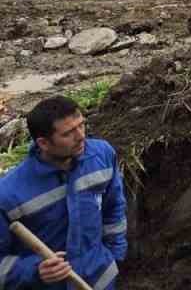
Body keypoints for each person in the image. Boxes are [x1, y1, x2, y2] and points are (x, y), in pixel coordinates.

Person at [0, 96, 127, 288]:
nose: (81, 136)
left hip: (101, 280)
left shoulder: (102, 155)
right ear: (43, 143)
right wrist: (34, 270)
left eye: (81, 126)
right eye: (68, 133)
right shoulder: (9, 194)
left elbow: (114, 207)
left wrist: (115, 255)